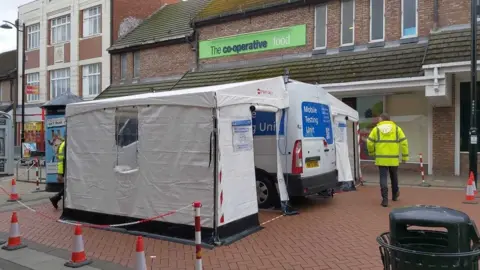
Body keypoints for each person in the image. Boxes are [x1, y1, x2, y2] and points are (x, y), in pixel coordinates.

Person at [367, 113, 409, 207]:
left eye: (379, 119)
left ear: (382, 119)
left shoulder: (376, 129)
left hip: (381, 159)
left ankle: (385, 200)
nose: (378, 121)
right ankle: (395, 195)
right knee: (394, 177)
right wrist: (405, 157)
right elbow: (404, 143)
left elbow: (369, 142)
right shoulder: (397, 129)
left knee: (383, 178)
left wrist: (372, 153)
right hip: (393, 159)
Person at [49, 137, 65, 209]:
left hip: (63, 169)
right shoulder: (65, 145)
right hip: (65, 169)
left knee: (67, 187)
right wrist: (60, 174)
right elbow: (62, 160)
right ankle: (56, 198)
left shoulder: (62, 145)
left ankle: (56, 198)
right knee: (68, 187)